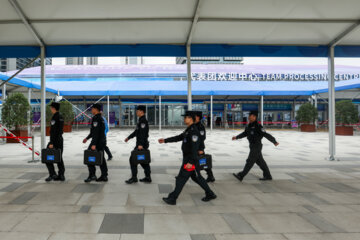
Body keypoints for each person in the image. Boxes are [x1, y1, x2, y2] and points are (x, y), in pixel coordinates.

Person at [159, 111, 217, 205]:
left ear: (191, 119)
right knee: (196, 177)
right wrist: (165, 140)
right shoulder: (189, 129)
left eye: (186, 117)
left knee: (181, 178)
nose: (184, 119)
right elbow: (179, 137)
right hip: (189, 159)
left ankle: (173, 198)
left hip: (190, 159)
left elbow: (194, 149)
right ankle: (210, 193)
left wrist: (190, 162)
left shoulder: (194, 131)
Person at [232, 111, 279, 181]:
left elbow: (265, 134)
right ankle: (268, 176)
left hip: (257, 146)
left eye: (250, 116)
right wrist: (236, 137)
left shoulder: (258, 126)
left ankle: (241, 175)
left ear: (254, 117)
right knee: (261, 162)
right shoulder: (248, 125)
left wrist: (274, 141)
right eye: (249, 115)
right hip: (252, 146)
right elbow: (245, 133)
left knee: (250, 161)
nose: (249, 117)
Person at [125, 105, 151, 184]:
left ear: (141, 112)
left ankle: (134, 178)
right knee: (143, 161)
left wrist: (140, 144)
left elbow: (142, 134)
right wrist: (129, 137)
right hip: (142, 144)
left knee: (133, 160)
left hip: (141, 144)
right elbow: (136, 132)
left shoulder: (143, 121)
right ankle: (147, 177)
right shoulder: (140, 120)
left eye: (137, 111)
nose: (136, 112)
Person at [82, 104, 108, 183]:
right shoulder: (101, 118)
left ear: (96, 109)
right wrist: (87, 138)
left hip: (97, 142)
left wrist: (93, 144)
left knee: (89, 156)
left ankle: (92, 175)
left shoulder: (96, 119)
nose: (91, 110)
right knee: (101, 158)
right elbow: (94, 132)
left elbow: (95, 133)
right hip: (101, 141)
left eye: (92, 109)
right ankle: (104, 175)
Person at [45, 102, 65, 182]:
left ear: (53, 108)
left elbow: (54, 131)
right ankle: (61, 175)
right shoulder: (61, 116)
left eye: (51, 108)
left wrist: (51, 143)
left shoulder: (55, 117)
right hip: (60, 140)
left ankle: (52, 174)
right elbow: (60, 130)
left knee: (47, 157)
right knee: (59, 157)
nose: (50, 109)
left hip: (55, 141)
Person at [194, 111, 215, 182]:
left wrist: (200, 149)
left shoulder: (200, 126)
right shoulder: (194, 125)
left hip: (199, 148)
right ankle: (182, 176)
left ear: (198, 117)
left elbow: (202, 138)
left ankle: (210, 176)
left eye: (195, 116)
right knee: (189, 160)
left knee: (203, 162)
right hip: (194, 147)